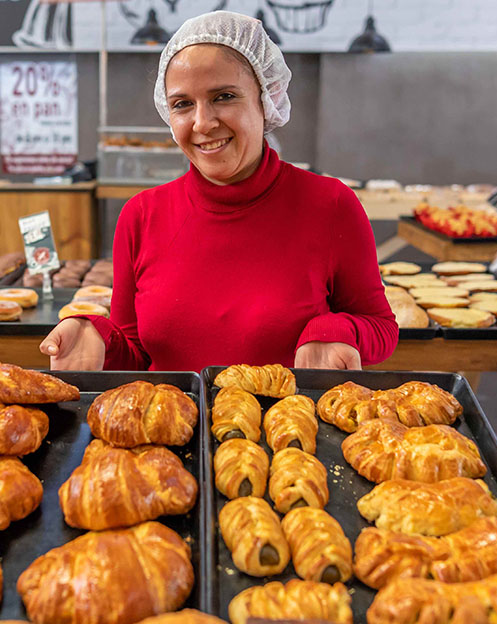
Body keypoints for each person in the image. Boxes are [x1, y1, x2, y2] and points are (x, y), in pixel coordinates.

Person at [40, 10, 398, 372]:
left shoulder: (330, 204)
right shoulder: (141, 214)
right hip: (171, 425)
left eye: (224, 96)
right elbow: (137, 351)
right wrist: (99, 337)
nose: (202, 123)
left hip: (286, 425)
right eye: (182, 104)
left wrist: (337, 329)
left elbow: (381, 327)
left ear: (266, 98)